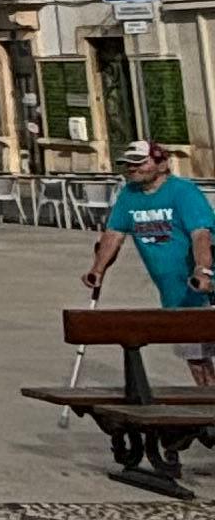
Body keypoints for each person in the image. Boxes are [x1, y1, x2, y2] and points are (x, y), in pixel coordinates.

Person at [88, 134, 215, 384]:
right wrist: (97, 269)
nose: (132, 168)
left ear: (161, 163)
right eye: (128, 163)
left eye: (140, 162)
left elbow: (201, 234)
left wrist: (202, 269)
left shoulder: (183, 192)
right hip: (176, 293)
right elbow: (113, 235)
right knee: (196, 359)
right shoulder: (128, 196)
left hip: (204, 284)